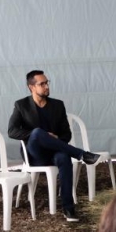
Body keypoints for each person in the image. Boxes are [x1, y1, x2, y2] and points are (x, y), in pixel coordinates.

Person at [7, 70, 100, 222]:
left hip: (55, 152)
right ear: (31, 87)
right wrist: (36, 135)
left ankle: (68, 208)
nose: (46, 86)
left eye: (47, 82)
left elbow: (66, 134)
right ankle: (81, 154)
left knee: (64, 158)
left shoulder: (57, 105)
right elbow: (12, 131)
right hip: (35, 154)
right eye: (41, 84)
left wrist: (56, 138)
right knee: (37, 132)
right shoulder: (21, 105)